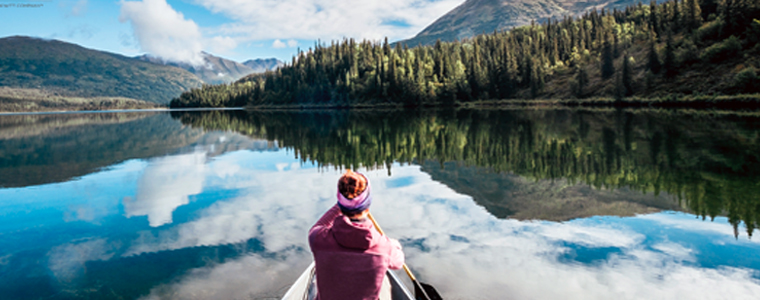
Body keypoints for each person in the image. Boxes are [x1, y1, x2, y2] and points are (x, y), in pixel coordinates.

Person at [308, 170, 405, 300]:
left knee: (314, 280)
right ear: (367, 208)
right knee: (385, 278)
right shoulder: (384, 247)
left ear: (340, 204)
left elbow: (318, 226)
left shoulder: (318, 239)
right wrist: (395, 245)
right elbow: (399, 263)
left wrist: (339, 206)